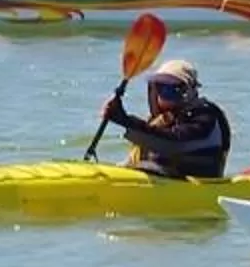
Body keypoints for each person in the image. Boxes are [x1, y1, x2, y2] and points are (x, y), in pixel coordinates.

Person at [99, 58, 232, 179]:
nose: (164, 95)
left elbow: (174, 144)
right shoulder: (162, 121)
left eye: (172, 89)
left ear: (191, 90)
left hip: (194, 186)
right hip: (164, 179)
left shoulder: (206, 115)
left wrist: (125, 120)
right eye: (160, 88)